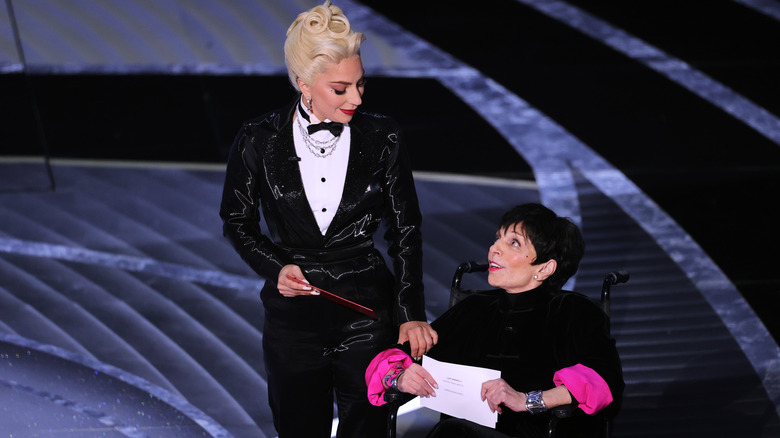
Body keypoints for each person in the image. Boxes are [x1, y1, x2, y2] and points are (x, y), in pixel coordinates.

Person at [218, 2, 437, 437]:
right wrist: (275, 267)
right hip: (294, 320)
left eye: (360, 85)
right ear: (304, 84)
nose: (356, 98)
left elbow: (405, 230)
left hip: (367, 314)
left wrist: (411, 311)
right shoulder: (258, 138)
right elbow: (236, 221)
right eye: (341, 89)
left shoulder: (383, 135)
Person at [366, 203, 624, 438]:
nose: (494, 248)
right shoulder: (474, 307)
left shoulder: (573, 311)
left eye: (514, 243)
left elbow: (604, 381)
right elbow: (390, 361)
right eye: (498, 238)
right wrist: (398, 378)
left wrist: (527, 400)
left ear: (545, 268)